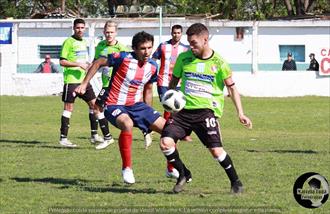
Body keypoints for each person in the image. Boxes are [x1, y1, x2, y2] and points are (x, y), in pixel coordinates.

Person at [159, 23, 252, 194]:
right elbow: (174, 81)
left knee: (216, 151)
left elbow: (232, 88)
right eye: (189, 43)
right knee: (165, 143)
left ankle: (235, 182)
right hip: (183, 112)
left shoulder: (220, 62)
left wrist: (241, 113)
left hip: (206, 113)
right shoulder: (184, 58)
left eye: (194, 43)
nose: (191, 46)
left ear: (205, 39)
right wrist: (170, 98)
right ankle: (183, 173)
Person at [75, 31, 167, 184]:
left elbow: (148, 89)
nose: (147, 52)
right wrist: (84, 84)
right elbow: (97, 62)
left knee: (170, 131)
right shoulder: (123, 57)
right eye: (143, 48)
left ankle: (171, 168)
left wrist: (148, 117)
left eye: (150, 48)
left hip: (136, 105)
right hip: (114, 102)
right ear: (135, 49)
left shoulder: (152, 66)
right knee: (127, 123)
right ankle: (127, 168)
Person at [58, 18, 114, 148]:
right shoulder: (68, 42)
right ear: (74, 28)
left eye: (82, 28)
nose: (80, 30)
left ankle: (95, 135)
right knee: (68, 108)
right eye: (78, 28)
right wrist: (79, 64)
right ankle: (63, 138)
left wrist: (88, 66)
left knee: (95, 106)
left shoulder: (83, 42)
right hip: (71, 81)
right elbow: (62, 61)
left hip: (84, 81)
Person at [152, 24, 191, 179]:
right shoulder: (163, 46)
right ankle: (168, 130)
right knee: (168, 109)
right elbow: (153, 59)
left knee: (179, 109)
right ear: (171, 33)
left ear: (181, 34)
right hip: (163, 82)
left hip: (179, 82)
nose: (176, 35)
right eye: (174, 33)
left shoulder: (185, 48)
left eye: (178, 33)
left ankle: (179, 132)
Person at [93, 20, 129, 150]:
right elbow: (95, 63)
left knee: (97, 108)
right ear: (103, 32)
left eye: (111, 32)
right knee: (101, 108)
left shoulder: (122, 49)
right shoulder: (100, 46)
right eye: (107, 32)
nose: (109, 35)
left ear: (116, 33)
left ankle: (108, 138)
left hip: (114, 84)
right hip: (105, 83)